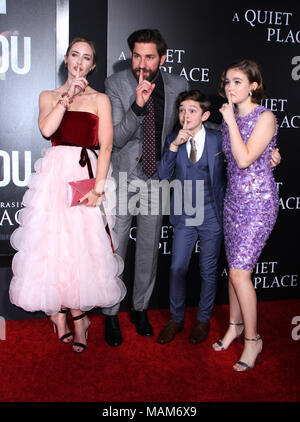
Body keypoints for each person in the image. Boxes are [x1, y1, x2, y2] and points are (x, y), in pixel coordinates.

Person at [9, 37, 126, 353]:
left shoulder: (100, 99)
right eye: (75, 55)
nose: (79, 61)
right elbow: (47, 131)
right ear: (66, 59)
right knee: (53, 246)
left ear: (93, 65)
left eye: (86, 57)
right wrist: (67, 97)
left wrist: (99, 188)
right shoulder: (47, 95)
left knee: (80, 248)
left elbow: (106, 146)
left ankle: (80, 319)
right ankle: (58, 314)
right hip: (54, 178)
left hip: (85, 177)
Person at [103, 29, 189, 346]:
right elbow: (116, 138)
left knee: (149, 249)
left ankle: (140, 309)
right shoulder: (116, 84)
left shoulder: (179, 85)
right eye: (136, 55)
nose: (142, 63)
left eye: (149, 56)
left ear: (162, 58)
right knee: (118, 247)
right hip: (125, 174)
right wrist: (137, 107)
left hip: (157, 176)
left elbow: (191, 124)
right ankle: (111, 312)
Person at [212, 59, 279, 371]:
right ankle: (234, 326)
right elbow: (251, 157)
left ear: (253, 86)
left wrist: (229, 122)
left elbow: (242, 159)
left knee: (240, 272)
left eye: (238, 81)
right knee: (234, 270)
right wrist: (270, 156)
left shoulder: (265, 116)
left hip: (258, 204)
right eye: (227, 82)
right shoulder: (232, 117)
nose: (230, 87)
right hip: (233, 202)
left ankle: (253, 340)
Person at [157, 90, 225, 345]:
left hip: (212, 215)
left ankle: (203, 320)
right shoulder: (174, 138)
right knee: (177, 268)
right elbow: (163, 175)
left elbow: (242, 158)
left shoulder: (219, 139)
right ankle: (176, 319)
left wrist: (269, 158)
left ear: (205, 115)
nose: (185, 115)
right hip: (184, 213)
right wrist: (174, 146)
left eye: (192, 110)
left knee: (208, 271)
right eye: (182, 110)